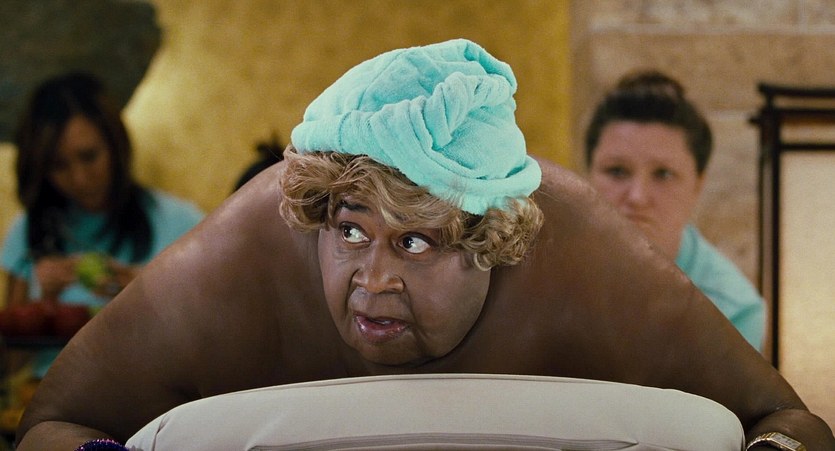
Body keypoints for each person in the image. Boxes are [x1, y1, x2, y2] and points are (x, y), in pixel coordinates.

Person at [15, 40, 834, 450]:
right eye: (348, 230)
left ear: (495, 239)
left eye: (414, 241)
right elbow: (52, 423)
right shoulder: (236, 253)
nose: (371, 280)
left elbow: (790, 419)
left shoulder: (586, 255)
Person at [0, 72, 205, 379]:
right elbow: (7, 368)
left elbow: (213, 340)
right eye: (59, 165)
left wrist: (152, 293)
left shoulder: (182, 223)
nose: (79, 178)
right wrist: (40, 307)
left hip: (156, 397)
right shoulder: (28, 232)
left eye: (89, 157)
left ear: (115, 145)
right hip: (49, 394)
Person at [584, 70, 766, 351]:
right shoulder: (542, 274)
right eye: (617, 171)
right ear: (587, 175)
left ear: (697, 185)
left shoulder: (732, 312)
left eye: (663, 174)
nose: (637, 197)